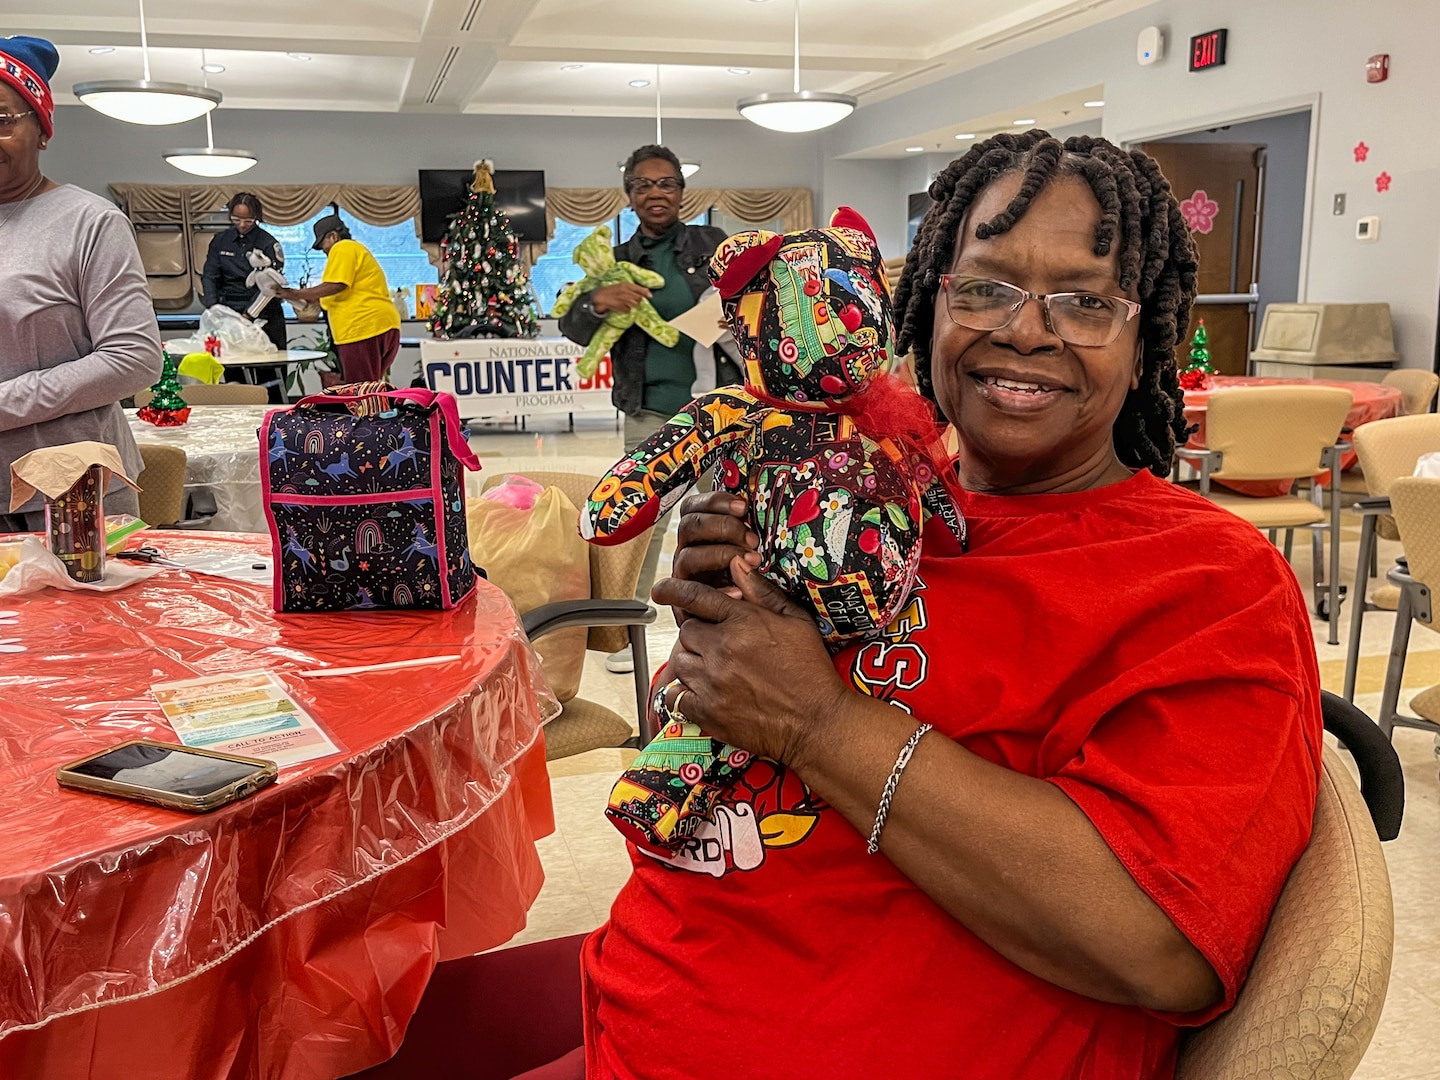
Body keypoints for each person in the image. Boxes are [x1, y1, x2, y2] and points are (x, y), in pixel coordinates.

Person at [548, 133, 1325, 1079]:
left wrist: (819, 723)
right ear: (929, 308)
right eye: (987, 287)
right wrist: (726, 617)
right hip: (630, 1001)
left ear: (1143, 335)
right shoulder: (871, 493)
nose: (1027, 331)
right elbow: (728, 723)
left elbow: (1161, 943)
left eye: (1084, 301)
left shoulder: (1206, 579)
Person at [557, 144, 737, 674]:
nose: (656, 193)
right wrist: (598, 302)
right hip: (651, 406)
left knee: (724, 513)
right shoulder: (613, 261)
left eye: (667, 184)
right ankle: (627, 624)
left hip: (722, 406)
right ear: (629, 194)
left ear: (682, 191)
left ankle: (728, 618)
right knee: (643, 514)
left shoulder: (711, 244)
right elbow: (572, 323)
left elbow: (755, 292)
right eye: (644, 185)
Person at [0, 36, 162, 531]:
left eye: (2, 120)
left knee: (79, 613)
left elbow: (134, 359)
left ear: (42, 129)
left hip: (69, 497)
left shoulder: (89, 222)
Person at [277, 209, 399, 384]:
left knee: (360, 391)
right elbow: (340, 291)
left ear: (333, 236)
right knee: (369, 387)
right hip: (382, 325)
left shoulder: (343, 247)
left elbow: (336, 285)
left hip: (362, 328)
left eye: (323, 246)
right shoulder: (357, 250)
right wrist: (306, 298)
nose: (324, 252)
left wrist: (294, 293)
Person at [201, 191, 288, 401]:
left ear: (257, 217)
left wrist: (248, 316)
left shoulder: (268, 243)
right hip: (228, 311)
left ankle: (274, 418)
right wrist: (215, 310)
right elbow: (210, 276)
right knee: (234, 373)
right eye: (236, 219)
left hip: (263, 313)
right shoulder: (221, 241)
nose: (242, 224)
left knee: (270, 374)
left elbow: (270, 286)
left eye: (248, 220)